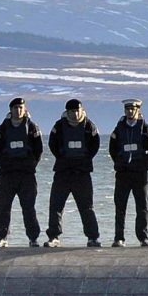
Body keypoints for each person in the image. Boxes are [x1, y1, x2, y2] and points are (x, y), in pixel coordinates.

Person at [46, 97, 103, 248]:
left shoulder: (89, 126)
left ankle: (93, 237)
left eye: (77, 111)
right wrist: (63, 158)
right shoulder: (59, 126)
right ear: (67, 112)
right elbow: (52, 144)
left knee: (86, 206)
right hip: (62, 172)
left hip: (82, 173)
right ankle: (54, 236)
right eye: (72, 111)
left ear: (82, 111)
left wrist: (84, 160)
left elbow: (95, 145)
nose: (75, 114)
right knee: (56, 205)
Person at [0, 97, 45, 246]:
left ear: (25, 109)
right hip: (7, 173)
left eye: (21, 107)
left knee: (28, 207)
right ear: (10, 110)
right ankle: (1, 237)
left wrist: (31, 164)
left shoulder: (32, 127)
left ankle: (33, 238)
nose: (18, 110)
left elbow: (38, 149)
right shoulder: (3, 127)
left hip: (26, 174)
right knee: (3, 207)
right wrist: (7, 163)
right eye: (15, 108)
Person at [107, 98, 148, 247]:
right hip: (123, 174)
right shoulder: (118, 129)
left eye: (132, 109)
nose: (130, 111)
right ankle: (119, 237)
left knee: (142, 207)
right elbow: (112, 149)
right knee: (120, 206)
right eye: (127, 109)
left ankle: (143, 237)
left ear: (138, 110)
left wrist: (146, 164)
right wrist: (118, 163)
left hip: (140, 173)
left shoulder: (146, 129)